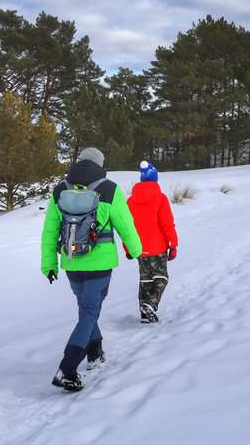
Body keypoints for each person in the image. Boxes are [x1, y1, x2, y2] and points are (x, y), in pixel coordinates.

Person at [41, 147, 142, 392]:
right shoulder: (109, 189)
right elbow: (125, 224)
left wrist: (49, 264)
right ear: (100, 164)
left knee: (86, 308)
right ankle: (67, 368)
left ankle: (95, 352)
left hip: (72, 262)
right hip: (100, 263)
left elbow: (50, 231)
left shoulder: (60, 190)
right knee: (89, 311)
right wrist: (135, 250)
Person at [126, 160, 179, 324]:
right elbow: (167, 224)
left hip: (139, 249)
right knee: (161, 278)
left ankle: (144, 315)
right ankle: (150, 304)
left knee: (146, 280)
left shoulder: (130, 201)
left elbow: (126, 228)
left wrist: (128, 248)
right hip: (158, 248)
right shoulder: (160, 198)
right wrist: (173, 244)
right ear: (155, 179)